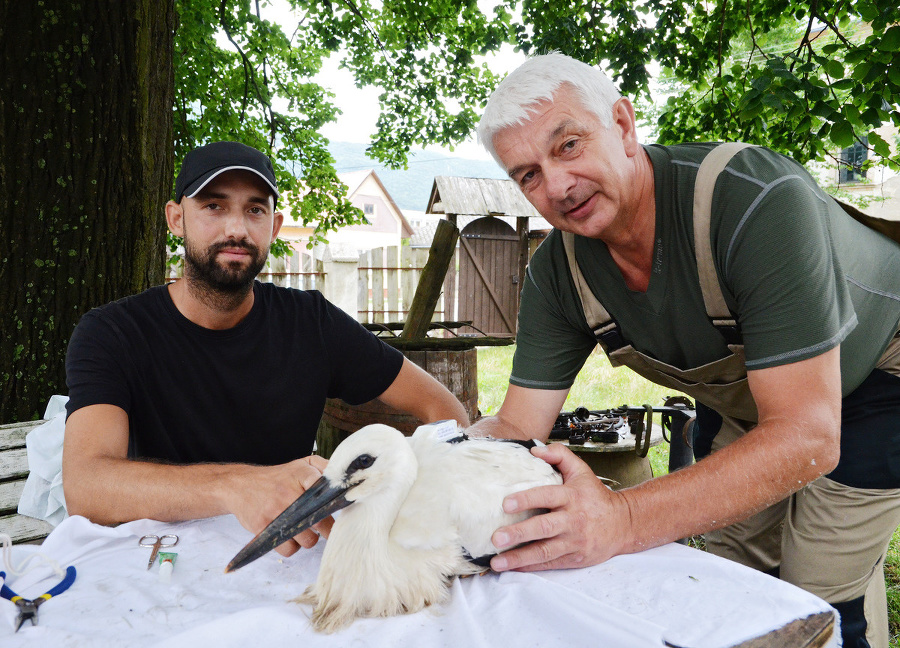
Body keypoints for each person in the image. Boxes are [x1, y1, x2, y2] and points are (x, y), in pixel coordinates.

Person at [471, 52, 900, 648]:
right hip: (754, 398)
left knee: (816, 590)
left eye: (568, 145)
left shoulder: (754, 199)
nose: (558, 186)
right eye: (528, 175)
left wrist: (621, 518)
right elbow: (519, 425)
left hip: (880, 373)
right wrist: (427, 468)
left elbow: (808, 435)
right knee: (731, 573)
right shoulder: (558, 273)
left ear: (622, 126)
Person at [62, 141, 469, 557]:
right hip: (159, 563)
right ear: (176, 218)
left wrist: (414, 501)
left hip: (290, 559)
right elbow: (86, 487)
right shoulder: (112, 333)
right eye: (214, 206)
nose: (236, 228)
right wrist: (236, 486)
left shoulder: (312, 323)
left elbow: (445, 411)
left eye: (254, 210)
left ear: (274, 227)